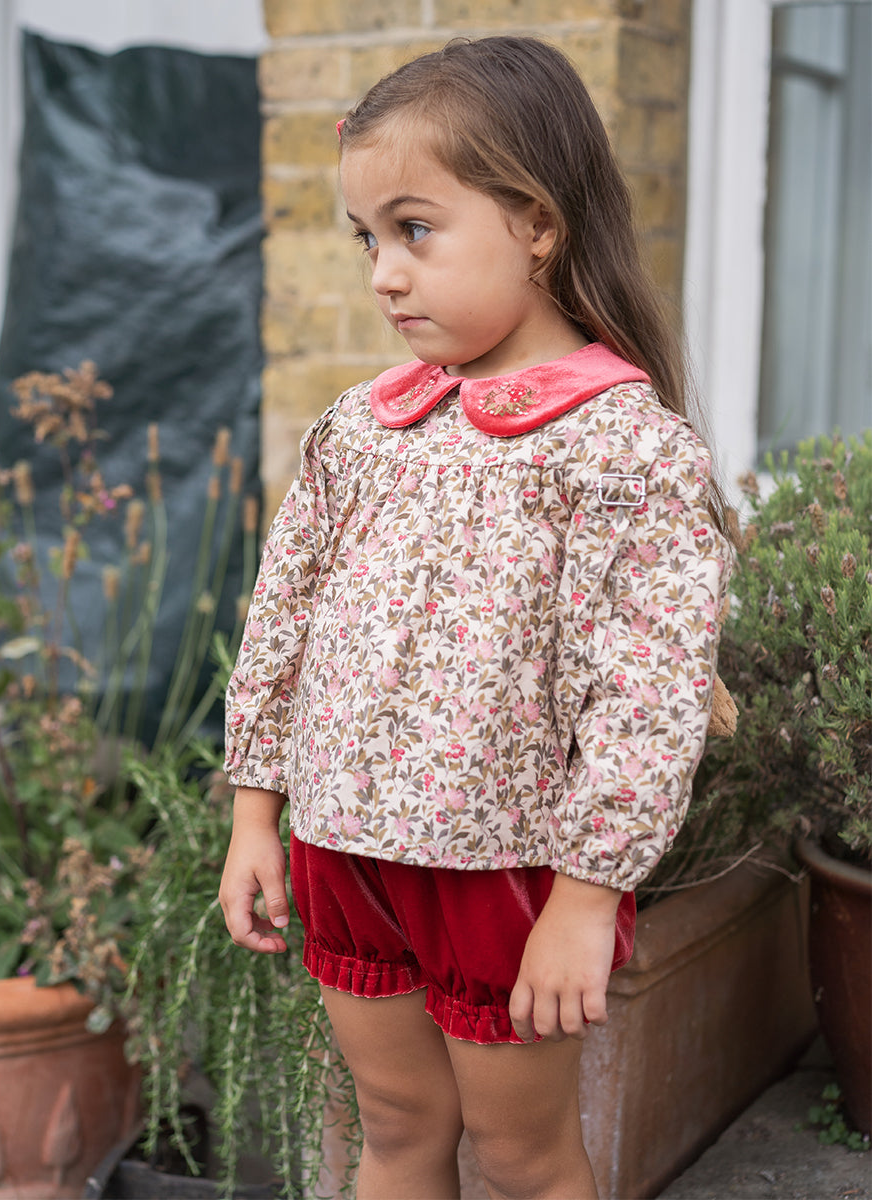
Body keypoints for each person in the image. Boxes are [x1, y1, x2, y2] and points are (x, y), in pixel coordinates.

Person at [220, 35, 732, 1200]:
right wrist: (257, 814)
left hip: (502, 870)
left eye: (415, 230)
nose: (383, 275)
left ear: (537, 224)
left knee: (520, 1156)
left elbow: (649, 687)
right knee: (397, 1128)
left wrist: (587, 895)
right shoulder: (361, 428)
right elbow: (281, 615)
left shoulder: (622, 448)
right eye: (368, 239)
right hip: (344, 847)